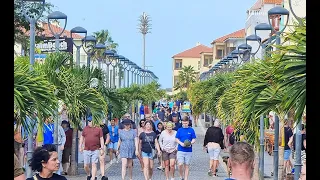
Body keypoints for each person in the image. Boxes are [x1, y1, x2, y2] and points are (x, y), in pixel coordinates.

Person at [79, 116, 105, 180]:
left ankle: (93, 178)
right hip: (86, 149)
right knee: (86, 165)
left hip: (96, 149)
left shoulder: (98, 129)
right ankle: (88, 174)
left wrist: (102, 148)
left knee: (94, 164)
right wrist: (80, 146)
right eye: (88, 121)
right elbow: (82, 137)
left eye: (90, 121)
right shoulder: (85, 129)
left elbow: (101, 139)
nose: (89, 122)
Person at [175, 116, 196, 180]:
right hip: (180, 150)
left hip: (188, 150)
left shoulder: (191, 130)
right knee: (180, 164)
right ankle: (181, 176)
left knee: (187, 165)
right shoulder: (179, 130)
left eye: (186, 123)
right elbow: (176, 138)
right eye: (183, 123)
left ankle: (186, 178)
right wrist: (181, 143)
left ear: (188, 122)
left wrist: (191, 143)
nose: (185, 124)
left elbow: (194, 139)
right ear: (182, 122)